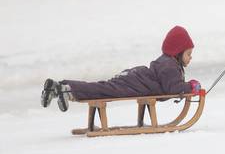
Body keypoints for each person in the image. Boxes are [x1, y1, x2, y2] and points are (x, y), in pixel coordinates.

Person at [40, 26, 201, 111]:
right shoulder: (170, 66)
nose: (190, 58)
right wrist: (192, 86)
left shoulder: (166, 62)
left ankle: (58, 87)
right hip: (134, 84)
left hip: (133, 77)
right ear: (177, 53)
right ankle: (68, 90)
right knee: (103, 90)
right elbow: (173, 88)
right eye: (188, 53)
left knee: (102, 87)